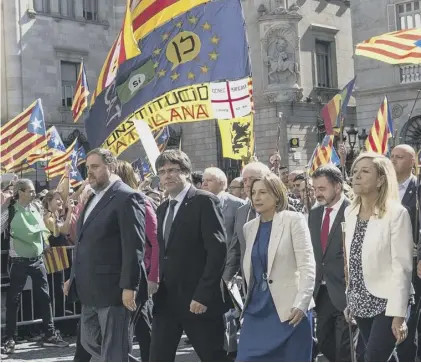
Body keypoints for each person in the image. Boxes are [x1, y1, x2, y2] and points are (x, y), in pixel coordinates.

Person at [66, 148, 147, 361]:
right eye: (87, 168)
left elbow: (134, 246)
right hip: (89, 289)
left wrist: (130, 286)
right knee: (89, 341)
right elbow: (83, 243)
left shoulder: (127, 197)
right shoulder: (93, 196)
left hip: (114, 290)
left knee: (114, 348)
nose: (89, 172)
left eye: (95, 167)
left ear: (110, 167)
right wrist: (73, 277)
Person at [150, 150, 230, 361]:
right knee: (158, 356)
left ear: (186, 172)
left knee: (213, 356)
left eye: (172, 170)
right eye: (162, 171)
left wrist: (203, 294)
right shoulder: (163, 208)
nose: (166, 176)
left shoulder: (204, 201)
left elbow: (217, 251)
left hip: (198, 300)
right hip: (167, 300)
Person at [237, 173, 315, 361]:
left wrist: (302, 302)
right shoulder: (249, 227)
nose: (256, 197)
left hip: (290, 310)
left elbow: (307, 264)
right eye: (253, 192)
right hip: (257, 309)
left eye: (263, 192)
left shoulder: (293, 220)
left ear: (277, 195)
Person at [344, 152, 413, 361]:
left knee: (373, 357)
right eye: (355, 171)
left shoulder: (397, 214)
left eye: (365, 171)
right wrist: (351, 296)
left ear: (381, 179)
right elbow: (352, 259)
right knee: (383, 357)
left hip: (388, 302)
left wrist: (399, 315)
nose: (357, 176)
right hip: (360, 301)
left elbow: (402, 267)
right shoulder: (350, 212)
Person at [1, 179, 69, 354]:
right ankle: (9, 338)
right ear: (20, 192)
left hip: (37, 260)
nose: (33, 193)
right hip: (18, 261)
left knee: (45, 298)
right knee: (13, 301)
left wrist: (44, 246)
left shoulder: (36, 208)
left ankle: (50, 334)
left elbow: (41, 230)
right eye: (30, 191)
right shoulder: (9, 210)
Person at [115, 159, 159, 362]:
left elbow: (155, 239)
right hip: (124, 273)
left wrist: (153, 276)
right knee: (141, 326)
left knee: (132, 329)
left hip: (141, 273)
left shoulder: (140, 200)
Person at [309, 165, 353, 362]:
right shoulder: (315, 213)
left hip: (346, 291)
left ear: (337, 187)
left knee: (345, 348)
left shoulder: (353, 211)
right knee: (325, 343)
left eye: (322, 188)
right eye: (315, 189)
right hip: (322, 292)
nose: (317, 193)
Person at [391, 144, 420, 361]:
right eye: (391, 156)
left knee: (410, 318)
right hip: (388, 263)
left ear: (413, 161)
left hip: (414, 263)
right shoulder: (383, 190)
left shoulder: (418, 188)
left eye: (399, 157)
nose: (393, 161)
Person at [226, 162, 271, 291]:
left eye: (251, 179)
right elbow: (235, 249)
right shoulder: (241, 212)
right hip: (250, 283)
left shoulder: (285, 209)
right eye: (244, 180)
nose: (247, 184)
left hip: (278, 284)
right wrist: (226, 278)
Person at [201, 167, 246, 283]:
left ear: (221, 183)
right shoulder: (198, 203)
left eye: (209, 180)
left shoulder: (237, 204)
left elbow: (240, 240)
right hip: (204, 267)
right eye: (203, 180)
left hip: (228, 268)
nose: (204, 184)